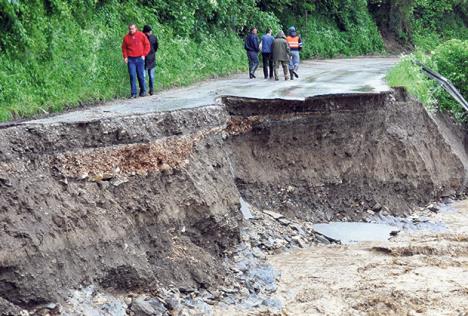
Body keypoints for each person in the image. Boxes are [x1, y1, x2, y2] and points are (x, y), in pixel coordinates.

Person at [121, 23, 150, 98]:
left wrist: (144, 54)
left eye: (133, 28)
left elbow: (147, 45)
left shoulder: (141, 35)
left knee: (140, 75)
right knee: (132, 75)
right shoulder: (126, 38)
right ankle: (133, 93)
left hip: (140, 58)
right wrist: (125, 57)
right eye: (130, 29)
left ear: (136, 28)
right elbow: (124, 48)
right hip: (131, 59)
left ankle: (143, 90)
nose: (131, 30)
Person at [142, 25, 159, 95]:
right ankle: (144, 90)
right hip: (144, 59)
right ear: (146, 32)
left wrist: (152, 52)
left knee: (151, 76)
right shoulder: (142, 37)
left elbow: (156, 47)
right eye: (149, 32)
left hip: (151, 59)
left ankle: (151, 90)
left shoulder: (153, 37)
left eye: (150, 31)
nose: (150, 33)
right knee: (143, 76)